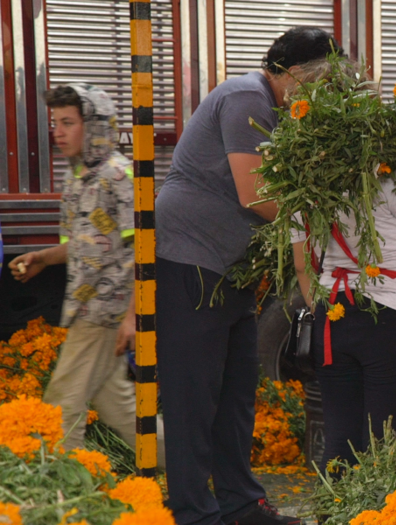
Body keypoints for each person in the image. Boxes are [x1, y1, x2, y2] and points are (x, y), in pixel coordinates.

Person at [154, 27, 342, 525]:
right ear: (296, 73)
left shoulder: (278, 108)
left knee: (237, 390)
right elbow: (254, 195)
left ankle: (241, 504)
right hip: (194, 259)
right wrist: (317, 228)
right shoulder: (246, 98)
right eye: (321, 80)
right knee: (194, 393)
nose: (324, 91)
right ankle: (194, 511)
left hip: (232, 269)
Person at [7, 84, 165, 464]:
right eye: (54, 123)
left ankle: (65, 499)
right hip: (88, 310)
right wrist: (43, 257)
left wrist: (133, 316)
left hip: (104, 313)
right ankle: (190, 463)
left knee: (61, 408)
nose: (57, 132)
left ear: (93, 125)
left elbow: (148, 248)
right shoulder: (80, 177)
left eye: (67, 122)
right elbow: (86, 244)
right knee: (122, 411)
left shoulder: (119, 176)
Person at [291, 141, 396, 473]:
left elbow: (301, 267)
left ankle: (332, 516)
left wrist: (326, 311)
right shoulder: (387, 180)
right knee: (386, 442)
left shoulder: (302, 189)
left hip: (332, 317)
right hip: (392, 319)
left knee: (340, 440)